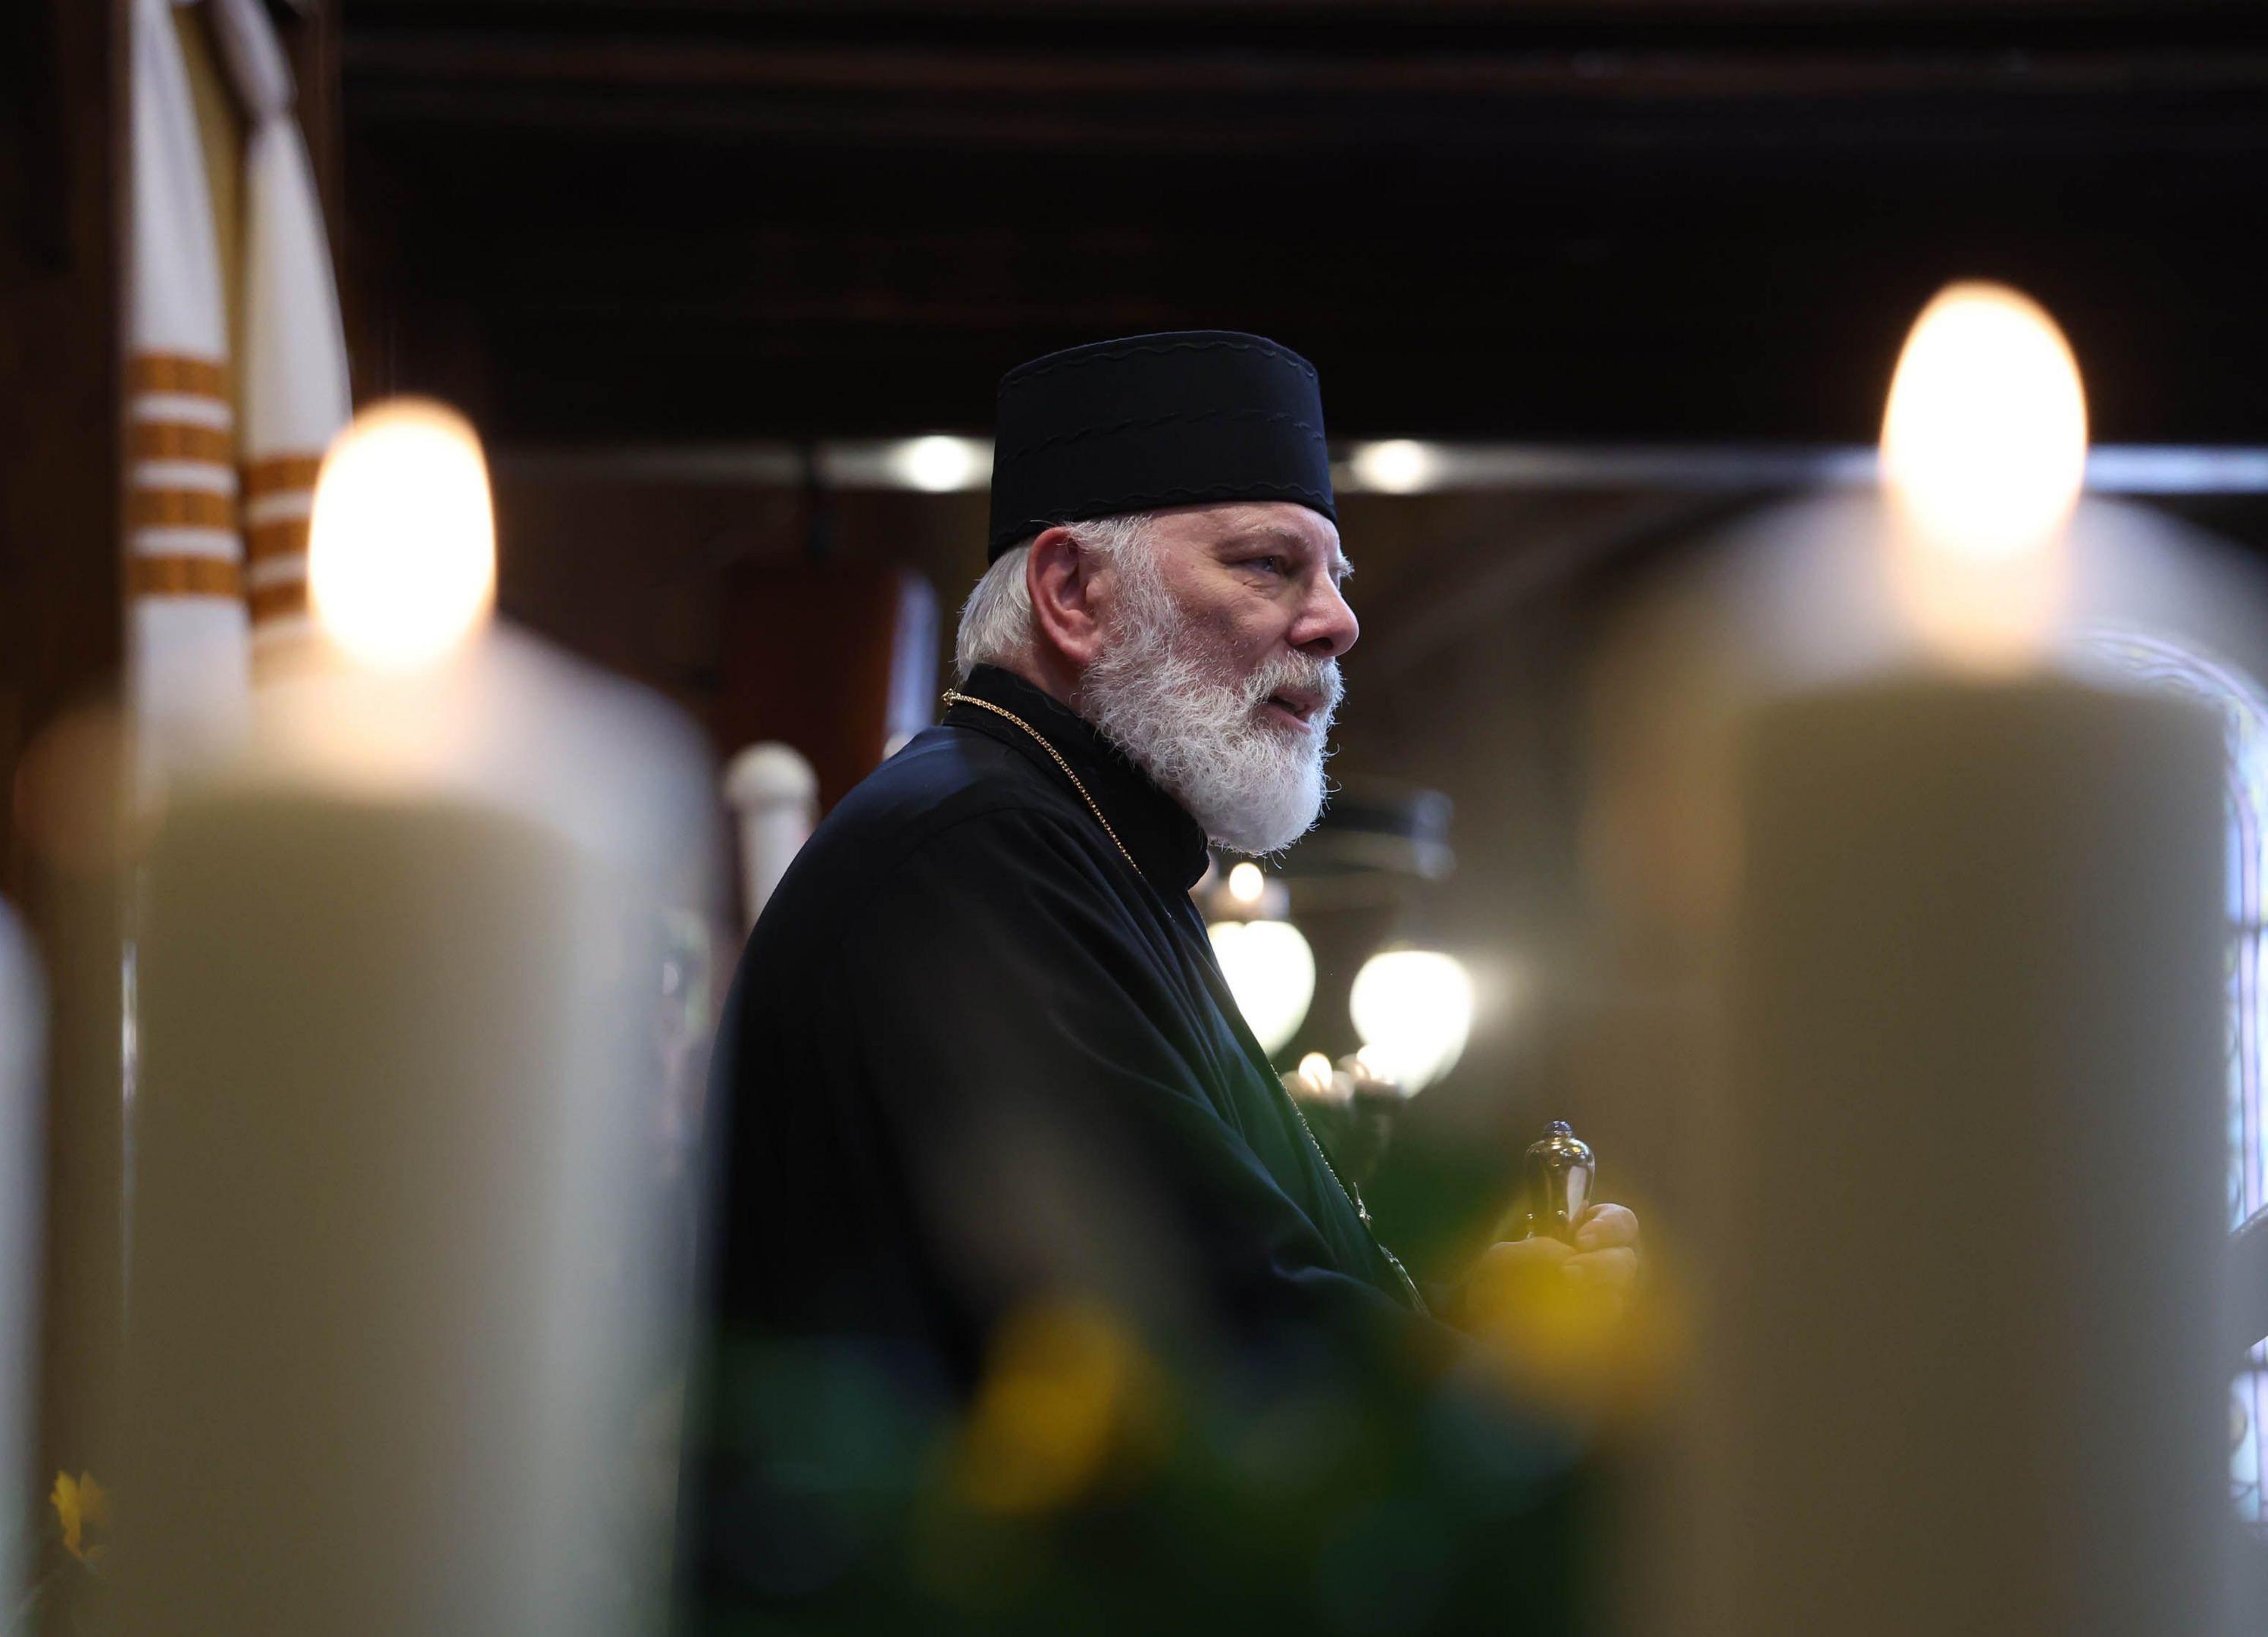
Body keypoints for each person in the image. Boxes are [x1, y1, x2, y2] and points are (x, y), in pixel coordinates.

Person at [689, 332, 1638, 1624]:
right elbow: (1201, 1340)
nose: (1342, 619)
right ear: (1073, 592)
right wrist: (1522, 1382)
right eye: (1268, 563)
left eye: (1337, 573)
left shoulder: (1083, 848)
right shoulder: (977, 853)